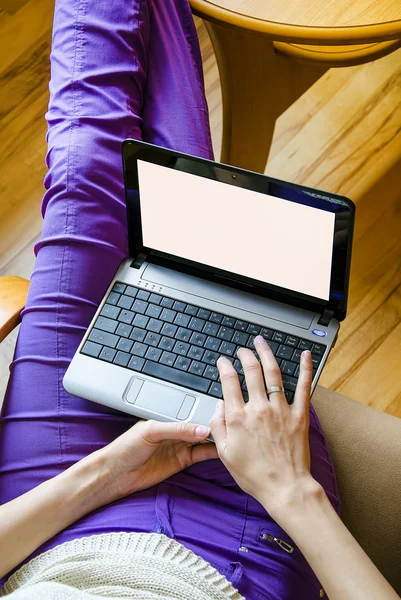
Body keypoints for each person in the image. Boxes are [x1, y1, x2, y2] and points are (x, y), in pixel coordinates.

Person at [0, 0, 398, 598]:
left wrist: (103, 475)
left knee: (84, 168)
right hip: (245, 554)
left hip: (48, 521)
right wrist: (291, 489)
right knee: (207, 254)